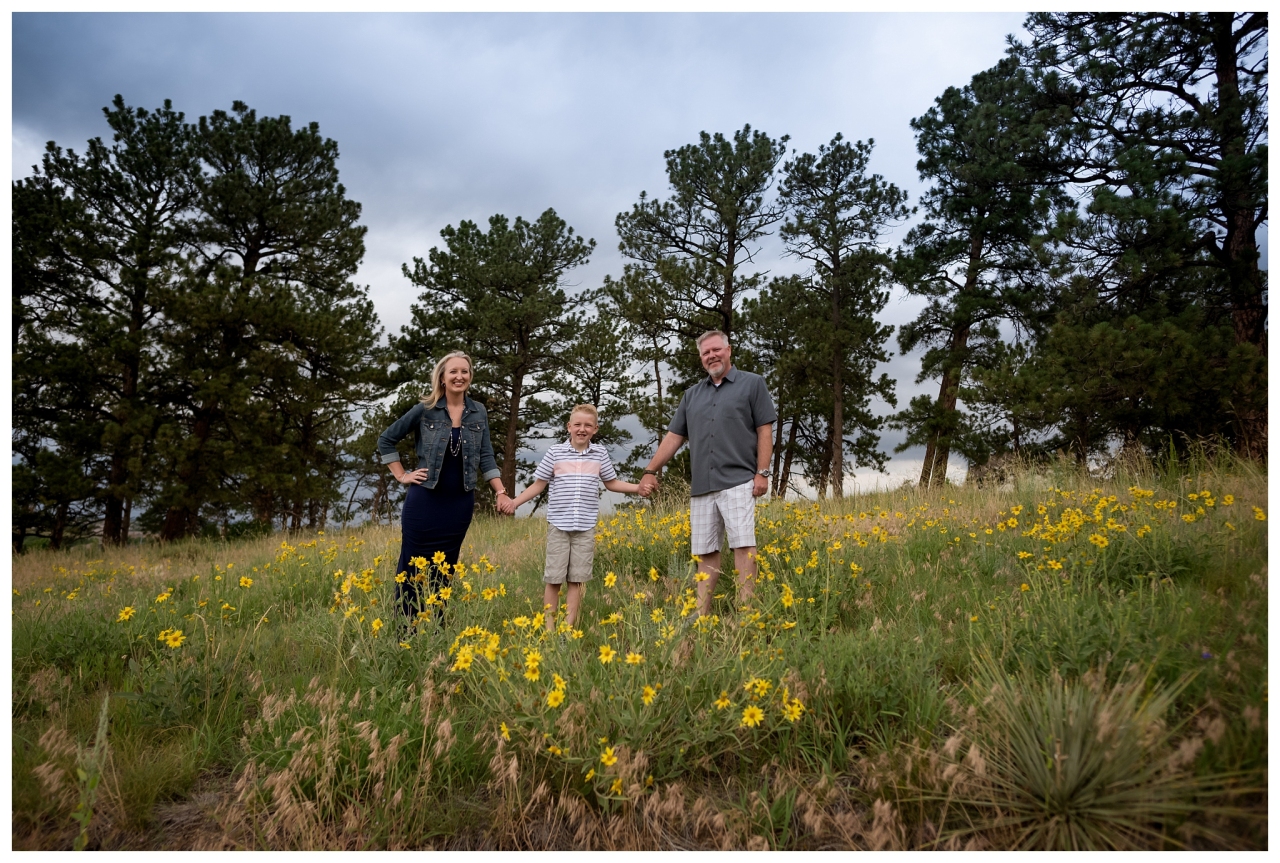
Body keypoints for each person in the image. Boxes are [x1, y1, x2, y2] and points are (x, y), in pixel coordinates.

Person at [637, 330, 776, 617]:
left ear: (728, 350)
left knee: (743, 547)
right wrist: (650, 470)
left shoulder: (752, 384)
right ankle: (701, 617)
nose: (711, 356)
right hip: (702, 486)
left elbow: (765, 430)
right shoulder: (691, 395)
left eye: (716, 350)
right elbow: (674, 437)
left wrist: (762, 472)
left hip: (739, 480)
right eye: (705, 353)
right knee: (705, 553)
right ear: (701, 359)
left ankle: (747, 615)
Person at [377, 351, 511, 628]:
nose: (459, 376)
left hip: (459, 504)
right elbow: (386, 440)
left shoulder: (478, 412)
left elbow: (486, 456)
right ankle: (406, 631)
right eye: (453, 372)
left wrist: (500, 492)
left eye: (464, 371)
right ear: (442, 376)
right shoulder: (425, 409)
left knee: (445, 569)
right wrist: (402, 475)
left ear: (470, 377)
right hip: (424, 502)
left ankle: (436, 629)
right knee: (412, 567)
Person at [499, 404, 640, 635]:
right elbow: (539, 484)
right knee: (554, 579)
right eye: (577, 424)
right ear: (569, 427)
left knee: (577, 579)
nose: (582, 429)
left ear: (595, 429)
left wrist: (638, 488)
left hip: (585, 526)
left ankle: (567, 629)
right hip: (559, 525)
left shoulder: (600, 454)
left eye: (587, 425)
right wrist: (514, 503)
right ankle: (549, 628)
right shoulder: (555, 453)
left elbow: (612, 483)